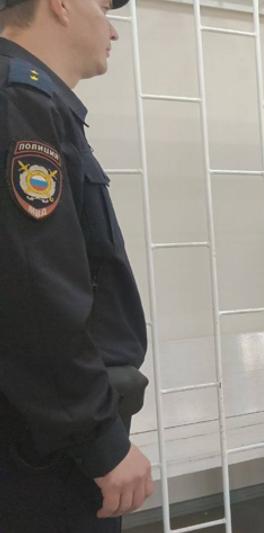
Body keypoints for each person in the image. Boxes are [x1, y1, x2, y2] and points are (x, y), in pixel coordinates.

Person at [0, 0, 154, 531]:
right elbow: (33, 294)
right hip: (42, 450)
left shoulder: (32, 101)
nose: (112, 29)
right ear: (61, 5)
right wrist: (99, 441)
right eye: (103, 7)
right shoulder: (19, 102)